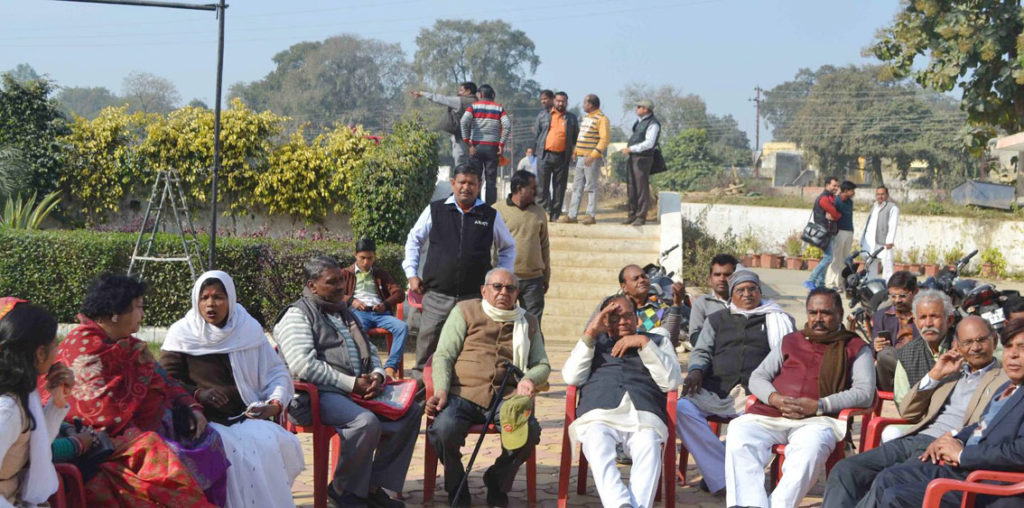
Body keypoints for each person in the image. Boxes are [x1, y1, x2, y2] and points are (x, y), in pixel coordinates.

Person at [56, 273, 230, 506]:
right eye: (138, 307)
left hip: (146, 428)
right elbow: (97, 413)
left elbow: (166, 382)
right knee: (165, 461)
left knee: (210, 440)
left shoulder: (132, 347)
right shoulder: (83, 345)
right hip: (102, 442)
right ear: (116, 313)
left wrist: (192, 408)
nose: (143, 314)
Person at [275, 255, 420, 508]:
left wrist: (377, 375)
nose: (342, 287)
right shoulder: (296, 315)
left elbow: (371, 352)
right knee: (364, 422)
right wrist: (351, 383)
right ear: (312, 286)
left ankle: (371, 487)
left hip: (354, 391)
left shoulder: (345, 313)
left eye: (342, 280)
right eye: (332, 282)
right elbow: (303, 365)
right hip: (315, 396)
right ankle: (343, 490)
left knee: (410, 412)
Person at [822, 316, 1006, 508]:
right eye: (968, 342)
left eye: (981, 340)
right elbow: (907, 411)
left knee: (887, 480)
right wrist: (935, 375)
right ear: (957, 346)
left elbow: (990, 426)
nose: (975, 347)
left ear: (994, 340)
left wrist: (955, 438)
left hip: (942, 449)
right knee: (846, 468)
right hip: (914, 437)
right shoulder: (951, 372)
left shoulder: (1005, 378)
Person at [162, 271, 305, 508]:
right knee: (231, 451)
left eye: (218, 297)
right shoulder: (182, 334)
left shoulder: (247, 329)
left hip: (245, 415)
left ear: (231, 299)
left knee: (270, 441)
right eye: (204, 297)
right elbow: (167, 381)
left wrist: (274, 404)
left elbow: (277, 373)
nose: (210, 304)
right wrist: (199, 395)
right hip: (201, 418)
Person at [724, 288, 875, 508]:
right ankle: (748, 505)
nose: (818, 319)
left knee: (809, 450)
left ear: (840, 314)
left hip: (818, 420)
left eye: (825, 313)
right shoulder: (791, 341)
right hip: (773, 414)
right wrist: (775, 398)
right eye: (813, 313)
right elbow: (758, 377)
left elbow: (864, 392)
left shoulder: (855, 347)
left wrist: (820, 405)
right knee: (739, 431)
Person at [425, 268, 550, 507]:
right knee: (443, 429)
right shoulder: (464, 311)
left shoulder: (528, 321)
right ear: (484, 290)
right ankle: (456, 484)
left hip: (507, 396)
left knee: (528, 434)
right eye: (497, 287)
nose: (503, 292)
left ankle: (496, 481)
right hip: (463, 392)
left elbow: (542, 364)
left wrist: (529, 379)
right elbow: (443, 355)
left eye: (510, 288)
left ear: (517, 293)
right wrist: (441, 390)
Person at [677, 270, 797, 496]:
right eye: (740, 290)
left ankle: (718, 475)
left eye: (752, 289)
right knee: (682, 409)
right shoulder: (716, 320)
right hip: (717, 388)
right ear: (732, 295)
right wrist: (695, 370)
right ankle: (724, 475)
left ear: (760, 292)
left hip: (758, 393)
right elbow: (701, 351)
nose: (747, 294)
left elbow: (791, 358)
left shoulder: (778, 319)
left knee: (752, 430)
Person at [561, 295, 681, 508]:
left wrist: (644, 344)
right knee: (597, 442)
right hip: (600, 414)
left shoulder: (657, 341)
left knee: (649, 445)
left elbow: (671, 382)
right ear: (604, 320)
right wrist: (591, 332)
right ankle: (619, 504)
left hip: (644, 415)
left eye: (627, 316)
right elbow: (571, 377)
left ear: (636, 318)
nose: (623, 322)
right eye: (615, 318)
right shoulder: (593, 342)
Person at [403, 161, 516, 383]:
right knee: (427, 346)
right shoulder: (435, 210)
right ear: (453, 183)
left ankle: (462, 393)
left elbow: (508, 247)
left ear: (479, 185)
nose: (466, 187)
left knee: (471, 348)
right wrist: (411, 273)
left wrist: (499, 281)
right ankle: (419, 396)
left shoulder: (489, 215)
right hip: (436, 295)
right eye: (462, 182)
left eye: (472, 183)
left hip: (473, 299)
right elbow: (413, 240)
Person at [0, 298, 74, 507]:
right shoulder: (7, 409)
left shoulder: (23, 392)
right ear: (40, 353)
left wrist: (57, 403)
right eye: (55, 345)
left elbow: (36, 447)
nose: (57, 352)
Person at [340, 238, 408, 379]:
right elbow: (334, 293)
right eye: (362, 258)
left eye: (370, 258)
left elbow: (399, 293)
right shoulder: (345, 274)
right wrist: (352, 300)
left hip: (380, 313)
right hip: (358, 313)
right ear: (355, 256)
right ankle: (366, 369)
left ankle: (390, 367)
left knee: (402, 327)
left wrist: (385, 304)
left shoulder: (380, 274)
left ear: (374, 257)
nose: (366, 262)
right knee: (358, 331)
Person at [494, 170, 550, 323]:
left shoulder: (539, 213)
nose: (535, 192)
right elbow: (491, 246)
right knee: (502, 323)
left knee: (533, 324)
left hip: (533, 280)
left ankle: (534, 348)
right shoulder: (497, 211)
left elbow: (544, 245)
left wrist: (546, 275)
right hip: (505, 280)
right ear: (519, 189)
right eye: (532, 188)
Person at [893, 289, 956, 407]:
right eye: (922, 317)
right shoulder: (907, 354)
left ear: (949, 320)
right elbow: (903, 404)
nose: (928, 323)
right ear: (915, 322)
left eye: (934, 316)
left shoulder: (963, 348)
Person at [460, 84, 511, 205]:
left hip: (476, 147)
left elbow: (463, 122)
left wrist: (468, 142)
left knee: (475, 179)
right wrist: (501, 144)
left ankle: (475, 205)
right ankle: (490, 208)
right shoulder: (499, 108)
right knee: (491, 181)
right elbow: (507, 125)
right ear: (492, 95)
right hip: (492, 148)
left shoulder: (473, 107)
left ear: (480, 95)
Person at [565, 93, 610, 225]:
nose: (583, 105)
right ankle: (572, 215)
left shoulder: (602, 119)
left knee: (591, 186)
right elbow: (582, 137)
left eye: (585, 103)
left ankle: (590, 215)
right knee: (577, 186)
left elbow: (605, 139)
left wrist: (594, 154)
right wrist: (576, 151)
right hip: (580, 157)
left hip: (591, 157)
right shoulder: (586, 118)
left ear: (591, 104)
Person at [534, 91, 579, 222]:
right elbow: (537, 134)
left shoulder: (571, 118)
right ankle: (543, 213)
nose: (560, 103)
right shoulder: (543, 115)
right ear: (554, 101)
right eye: (558, 101)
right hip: (545, 155)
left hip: (562, 157)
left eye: (563, 101)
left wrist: (574, 153)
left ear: (566, 102)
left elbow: (575, 137)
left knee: (559, 187)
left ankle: (555, 215)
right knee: (542, 186)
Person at [410, 81, 477, 168]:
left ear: (468, 91)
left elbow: (441, 99)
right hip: (477, 141)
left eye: (461, 90)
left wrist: (422, 93)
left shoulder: (461, 101)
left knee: (460, 166)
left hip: (461, 140)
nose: (459, 93)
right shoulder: (478, 103)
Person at [873, 271, 921, 392]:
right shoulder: (881, 316)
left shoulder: (924, 316)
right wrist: (875, 346)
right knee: (884, 354)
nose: (897, 300)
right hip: (890, 378)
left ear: (915, 292)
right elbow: (872, 350)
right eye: (893, 296)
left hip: (919, 367)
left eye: (902, 296)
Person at [619, 264, 686, 347]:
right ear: (624, 287)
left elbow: (669, 341)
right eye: (636, 279)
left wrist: (676, 305)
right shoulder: (614, 307)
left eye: (644, 276)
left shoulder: (661, 308)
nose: (642, 280)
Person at [619, 99, 661, 226]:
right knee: (631, 186)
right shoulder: (639, 122)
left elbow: (649, 143)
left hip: (643, 158)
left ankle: (641, 216)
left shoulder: (653, 124)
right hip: (633, 157)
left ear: (646, 109)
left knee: (641, 187)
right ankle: (632, 214)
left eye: (639, 107)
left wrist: (631, 148)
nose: (636, 109)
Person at [687, 254, 739, 350]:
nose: (722, 279)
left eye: (727, 275)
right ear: (710, 279)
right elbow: (694, 337)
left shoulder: (744, 302)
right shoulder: (701, 304)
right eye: (717, 274)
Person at [804, 176, 842, 291]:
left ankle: (820, 284)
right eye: (834, 185)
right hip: (823, 232)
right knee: (828, 258)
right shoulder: (824, 199)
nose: (836, 188)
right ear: (827, 185)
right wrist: (835, 215)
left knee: (827, 257)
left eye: (837, 186)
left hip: (828, 232)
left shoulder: (831, 197)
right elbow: (836, 214)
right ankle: (811, 279)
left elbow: (835, 213)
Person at [862, 185, 900, 282]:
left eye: (882, 194)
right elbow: (869, 224)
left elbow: (893, 225)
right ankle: (870, 283)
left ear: (887, 195)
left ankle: (888, 285)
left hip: (884, 241)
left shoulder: (892, 208)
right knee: (870, 263)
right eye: (878, 194)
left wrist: (890, 241)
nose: (880, 196)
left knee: (887, 263)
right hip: (871, 240)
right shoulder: (874, 207)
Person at [826, 181, 857, 289]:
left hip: (849, 232)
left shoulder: (850, 202)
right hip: (839, 232)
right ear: (846, 190)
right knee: (835, 258)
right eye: (852, 190)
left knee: (844, 259)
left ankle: (840, 283)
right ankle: (830, 283)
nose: (854, 192)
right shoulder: (836, 201)